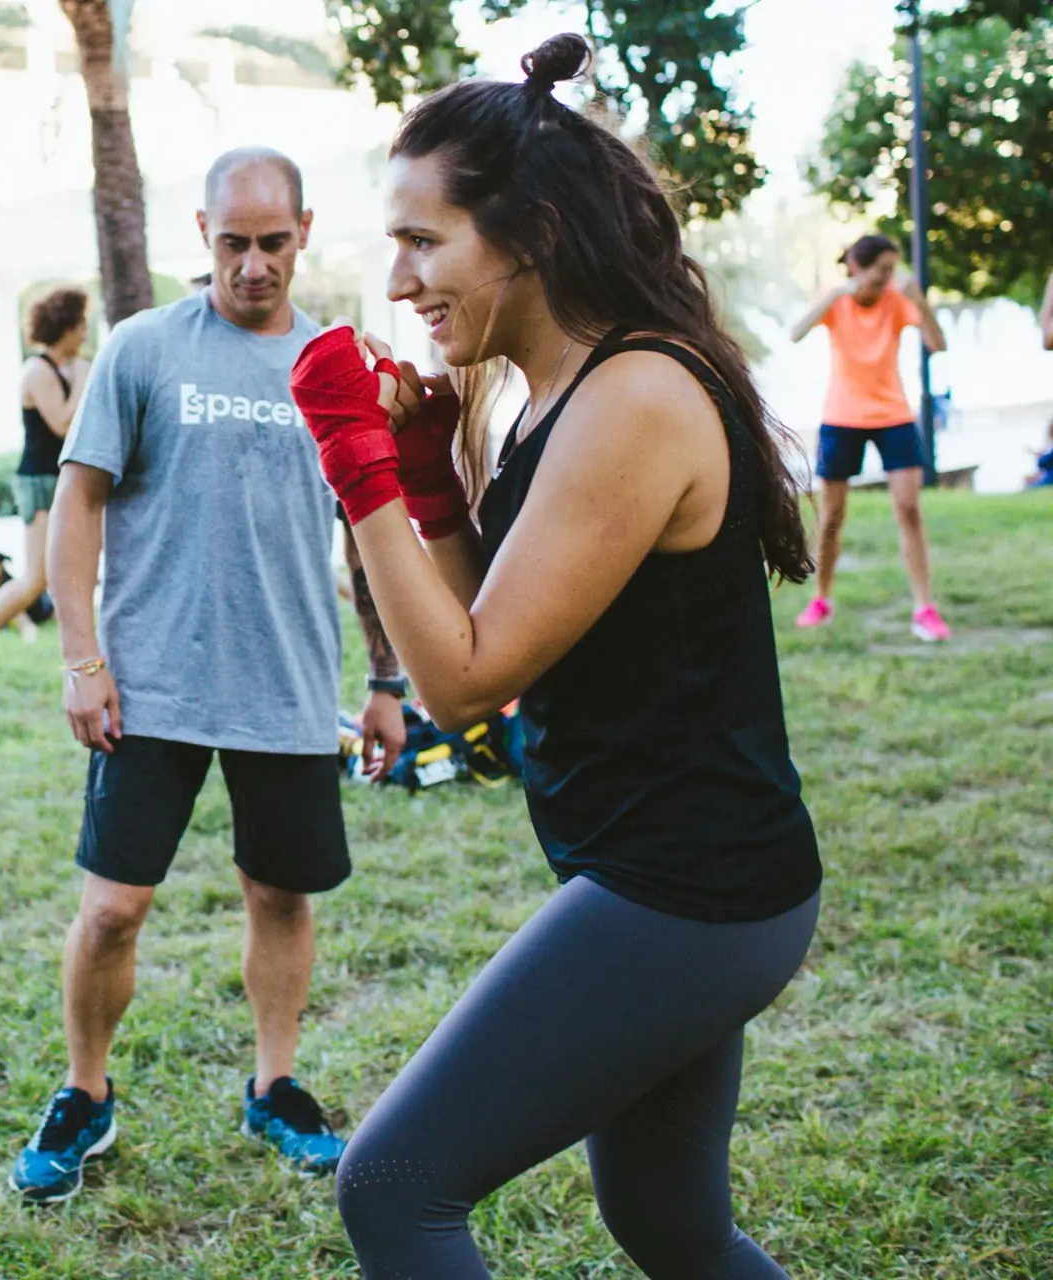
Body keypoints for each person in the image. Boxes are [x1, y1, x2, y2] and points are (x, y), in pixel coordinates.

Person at [291, 35, 822, 1277]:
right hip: (673, 871)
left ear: (526, 233)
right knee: (669, 1221)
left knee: (396, 1187)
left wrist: (353, 460)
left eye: (425, 241)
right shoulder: (553, 393)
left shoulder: (633, 395)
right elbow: (514, 633)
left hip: (685, 890)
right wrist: (423, 479)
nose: (401, 278)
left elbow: (461, 680)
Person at [6, 146, 410, 1205]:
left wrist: (385, 679)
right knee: (113, 908)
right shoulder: (141, 352)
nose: (254, 264)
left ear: (305, 232)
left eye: (273, 242)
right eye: (234, 242)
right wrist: (80, 658)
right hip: (153, 685)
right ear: (203, 234)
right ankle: (85, 1092)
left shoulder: (336, 365)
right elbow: (78, 505)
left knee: (282, 892)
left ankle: (276, 1081)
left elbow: (371, 536)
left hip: (285, 680)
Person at [787, 234, 951, 641]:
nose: (889, 277)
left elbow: (938, 344)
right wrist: (837, 293)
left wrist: (920, 299)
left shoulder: (897, 300)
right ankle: (822, 600)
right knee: (831, 519)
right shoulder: (837, 300)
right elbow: (795, 333)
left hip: (893, 415)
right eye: (883, 269)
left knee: (909, 510)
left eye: (893, 270)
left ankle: (924, 608)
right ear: (859, 267)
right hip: (842, 417)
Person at [0, 286, 90, 669]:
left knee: (74, 572)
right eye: (80, 326)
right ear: (65, 327)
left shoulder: (67, 368)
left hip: (61, 479)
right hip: (38, 483)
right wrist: (83, 376)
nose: (86, 334)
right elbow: (62, 423)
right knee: (35, 578)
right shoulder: (38, 371)